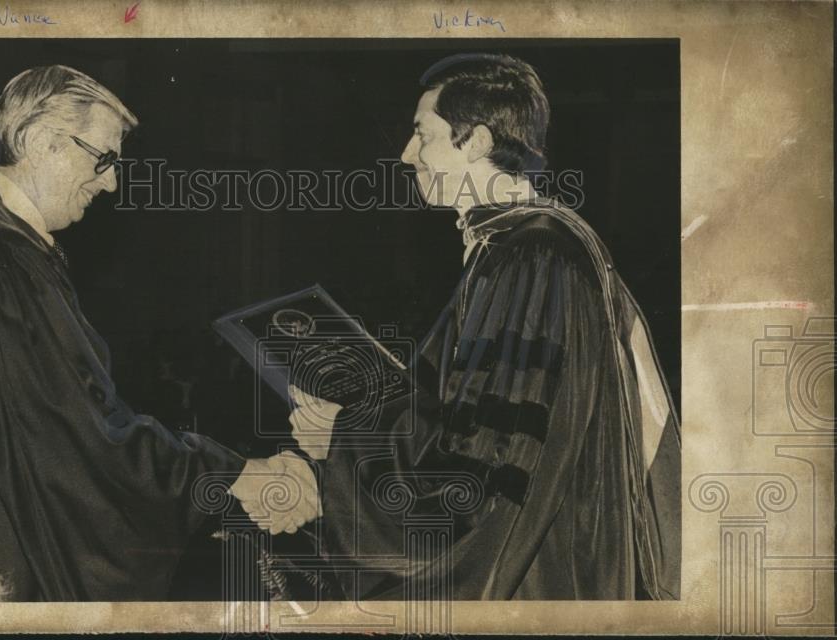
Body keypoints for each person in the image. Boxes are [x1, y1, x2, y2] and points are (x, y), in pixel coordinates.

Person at [0, 65, 316, 601]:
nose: (112, 181)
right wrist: (229, 472)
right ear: (39, 142)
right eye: (103, 158)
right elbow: (73, 439)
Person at [290, 53, 681, 600]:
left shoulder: (536, 255)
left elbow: (496, 453)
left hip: (541, 569)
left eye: (421, 135)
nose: (407, 155)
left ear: (473, 141)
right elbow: (471, 404)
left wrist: (346, 443)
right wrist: (359, 419)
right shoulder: (520, 244)